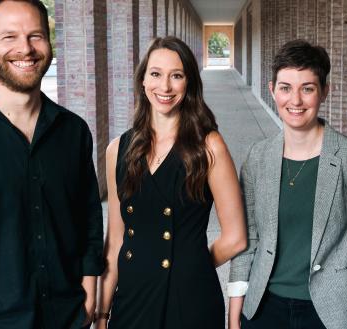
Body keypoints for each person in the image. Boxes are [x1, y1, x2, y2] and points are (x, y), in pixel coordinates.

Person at [0, 1, 104, 329]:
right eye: (9, 37)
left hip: (67, 317)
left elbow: (88, 218)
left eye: (36, 36)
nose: (25, 49)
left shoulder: (73, 131)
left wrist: (89, 294)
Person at [228, 39, 347, 329]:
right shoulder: (257, 158)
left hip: (329, 310)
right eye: (285, 88)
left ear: (324, 91)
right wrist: (235, 310)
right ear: (272, 90)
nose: (295, 101)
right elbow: (248, 238)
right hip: (263, 306)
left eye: (307, 88)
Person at [94, 36, 247, 329]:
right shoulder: (117, 149)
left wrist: (189, 264)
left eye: (176, 76)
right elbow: (115, 241)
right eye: (155, 74)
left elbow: (236, 236)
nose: (164, 87)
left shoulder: (208, 145)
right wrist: (102, 314)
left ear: (188, 83)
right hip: (132, 297)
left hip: (188, 297)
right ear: (142, 80)